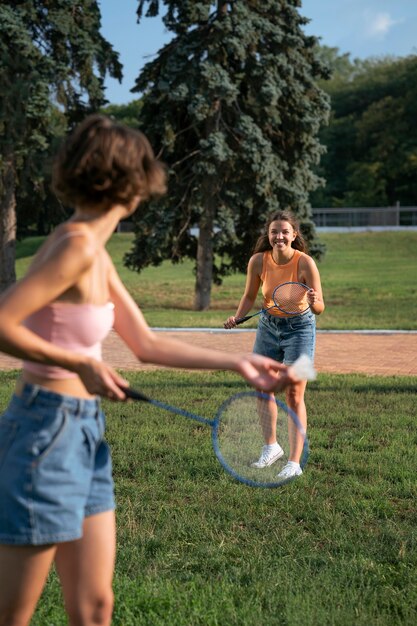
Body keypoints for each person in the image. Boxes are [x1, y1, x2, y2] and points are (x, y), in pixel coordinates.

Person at [0, 115, 299, 626]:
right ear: (130, 184)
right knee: (13, 613)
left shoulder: (92, 251)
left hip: (84, 431)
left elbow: (146, 343)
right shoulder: (74, 246)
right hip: (44, 430)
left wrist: (239, 361)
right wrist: (77, 362)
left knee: (96, 608)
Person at [224, 210, 324, 480]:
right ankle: (272, 447)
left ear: (294, 235)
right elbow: (249, 296)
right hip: (268, 327)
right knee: (262, 387)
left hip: (301, 328)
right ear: (268, 235)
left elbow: (320, 308)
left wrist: (313, 299)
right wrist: (238, 316)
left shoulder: (305, 263)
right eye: (273, 232)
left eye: (284, 231)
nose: (278, 236)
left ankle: (294, 462)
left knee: (294, 395)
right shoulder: (258, 261)